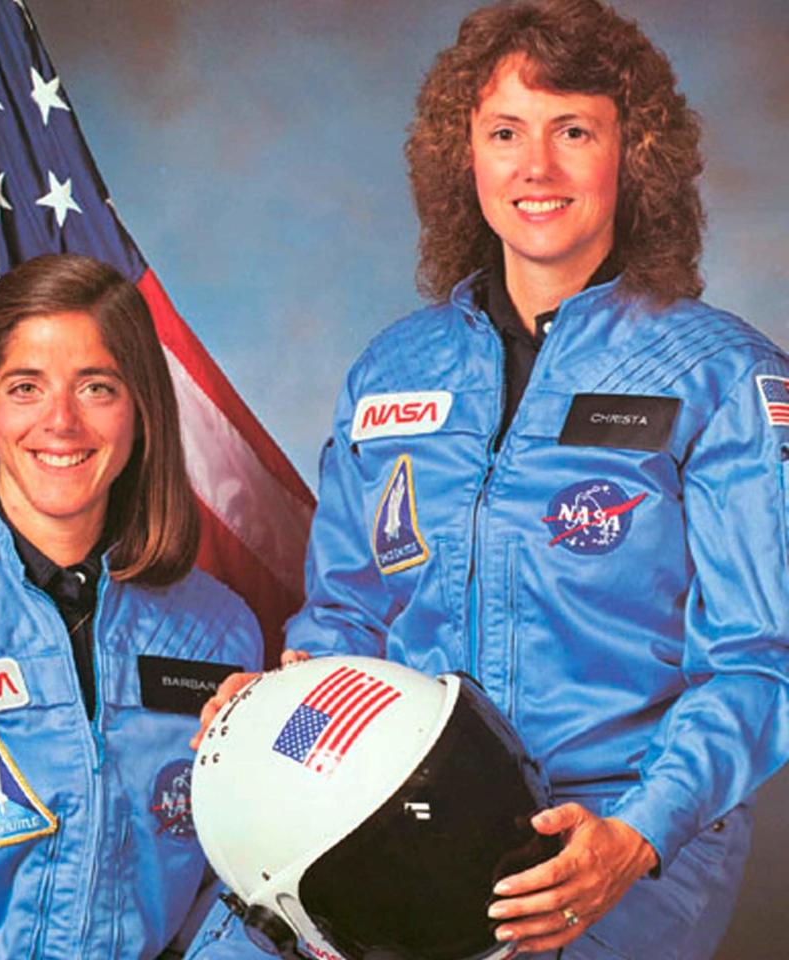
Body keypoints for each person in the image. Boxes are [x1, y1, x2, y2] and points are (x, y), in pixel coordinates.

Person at [195, 1, 789, 958]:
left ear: (632, 155)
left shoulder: (719, 377)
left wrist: (636, 838)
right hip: (389, 802)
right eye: (505, 132)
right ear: (461, 153)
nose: (536, 167)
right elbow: (345, 611)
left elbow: (760, 660)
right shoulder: (395, 370)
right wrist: (274, 713)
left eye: (573, 131)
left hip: (607, 834)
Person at [0, 254, 262, 957]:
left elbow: (236, 893)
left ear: (141, 413)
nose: (60, 421)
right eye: (26, 387)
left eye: (97, 387)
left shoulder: (217, 634)